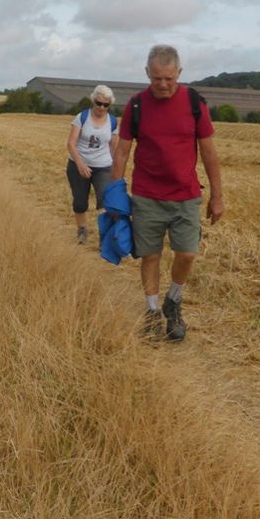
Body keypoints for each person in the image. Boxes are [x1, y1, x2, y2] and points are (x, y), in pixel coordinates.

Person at [110, 45, 223, 341]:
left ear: (179, 74)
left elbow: (209, 152)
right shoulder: (136, 106)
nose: (162, 85)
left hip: (186, 196)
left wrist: (217, 195)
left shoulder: (194, 103)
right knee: (150, 256)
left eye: (169, 79)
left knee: (186, 253)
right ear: (147, 73)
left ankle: (173, 301)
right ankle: (151, 313)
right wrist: (114, 197)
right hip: (147, 195)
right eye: (157, 78)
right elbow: (122, 153)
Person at [66, 85, 119, 244]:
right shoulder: (81, 117)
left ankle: (105, 239)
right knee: (80, 202)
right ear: (93, 100)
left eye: (105, 104)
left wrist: (117, 171)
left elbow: (114, 148)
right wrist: (81, 164)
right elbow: (71, 143)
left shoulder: (112, 121)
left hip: (103, 166)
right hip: (78, 164)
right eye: (98, 102)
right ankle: (82, 230)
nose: (101, 107)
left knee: (105, 201)